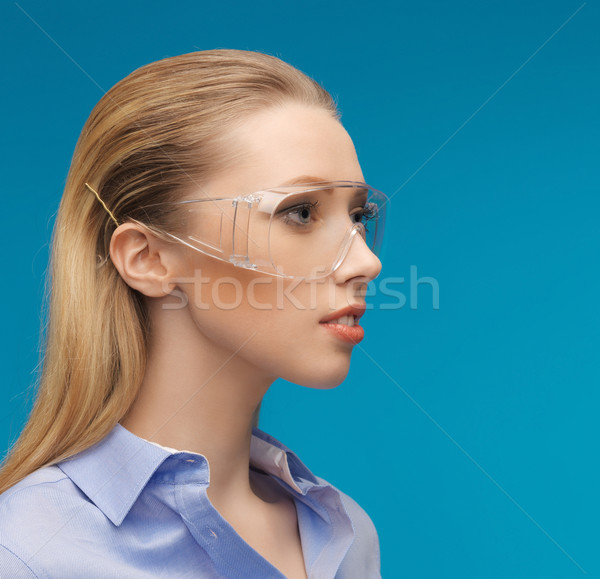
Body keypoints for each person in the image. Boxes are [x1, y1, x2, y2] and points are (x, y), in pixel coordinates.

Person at [0, 49, 386, 578]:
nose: (367, 261)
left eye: (359, 215)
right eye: (300, 212)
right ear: (149, 258)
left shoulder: (343, 536)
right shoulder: (25, 552)